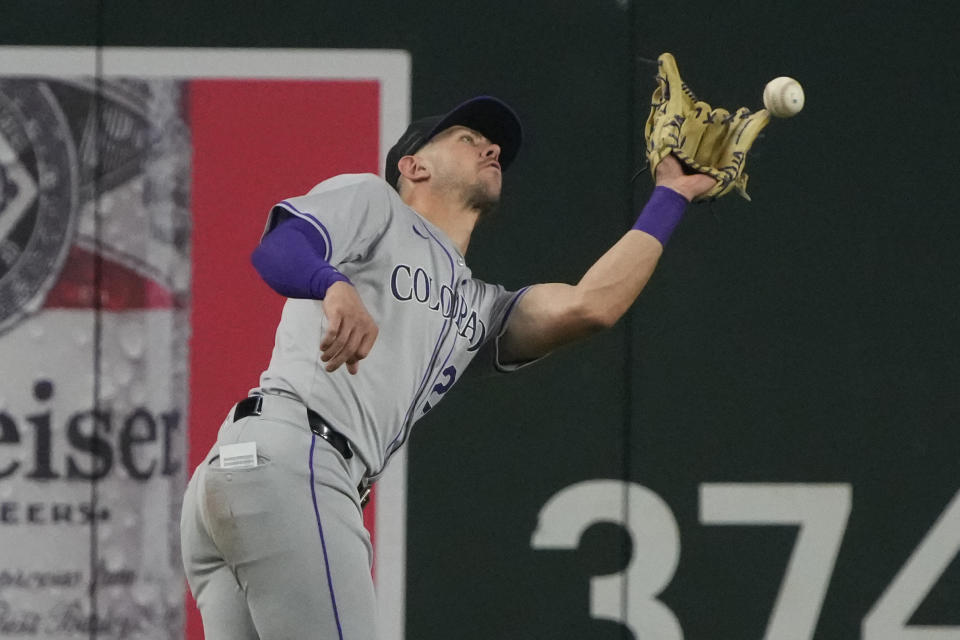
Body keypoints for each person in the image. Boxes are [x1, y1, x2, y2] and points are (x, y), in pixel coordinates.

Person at [180, 96, 715, 639]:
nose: (492, 147)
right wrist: (332, 283)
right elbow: (279, 247)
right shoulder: (377, 205)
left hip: (249, 478)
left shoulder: (478, 308)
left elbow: (591, 305)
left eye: (493, 144)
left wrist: (671, 195)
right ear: (414, 166)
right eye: (467, 138)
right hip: (293, 462)